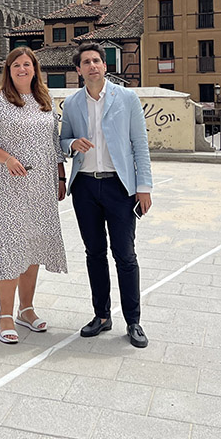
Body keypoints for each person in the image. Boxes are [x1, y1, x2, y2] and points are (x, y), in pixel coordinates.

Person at [60, 42, 153, 348]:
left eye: (96, 61)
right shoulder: (72, 103)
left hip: (119, 186)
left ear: (104, 66)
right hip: (85, 187)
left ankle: (133, 321)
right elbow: (62, 142)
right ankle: (101, 316)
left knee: (125, 255)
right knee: (94, 254)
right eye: (85, 62)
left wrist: (144, 187)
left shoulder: (126, 98)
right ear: (78, 70)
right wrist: (73, 143)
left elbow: (139, 144)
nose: (92, 66)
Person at [0, 46, 67, 344]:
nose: (22, 69)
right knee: (11, 243)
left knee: (34, 244)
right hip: (6, 186)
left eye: (27, 64)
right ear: (9, 70)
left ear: (35, 68)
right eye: (16, 66)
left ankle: (26, 309)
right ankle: (4, 316)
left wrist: (60, 176)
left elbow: (54, 142)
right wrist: (7, 159)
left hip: (41, 185)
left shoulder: (45, 100)